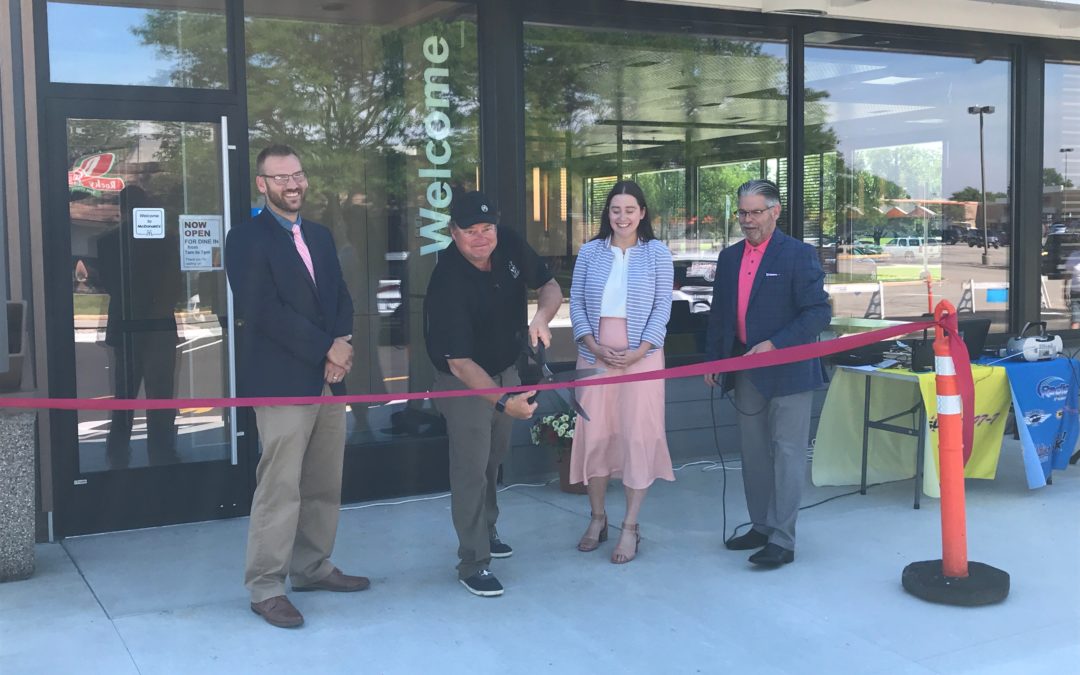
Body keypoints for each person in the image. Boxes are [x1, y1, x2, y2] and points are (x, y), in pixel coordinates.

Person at [225, 144, 367, 629]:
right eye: (281, 177)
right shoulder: (245, 239)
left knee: (324, 483)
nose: (293, 184)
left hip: (329, 381)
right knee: (279, 488)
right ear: (261, 184)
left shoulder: (322, 237)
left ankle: (312, 568)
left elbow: (342, 298)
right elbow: (263, 311)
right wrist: (326, 349)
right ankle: (266, 587)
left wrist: (342, 344)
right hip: (282, 382)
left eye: (298, 175)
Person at [424, 190, 562, 597]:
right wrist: (505, 402)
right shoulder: (446, 278)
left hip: (506, 368)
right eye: (471, 231)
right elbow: (459, 363)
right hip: (464, 381)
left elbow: (551, 285)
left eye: (487, 228)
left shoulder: (510, 244)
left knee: (491, 460)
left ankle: (487, 527)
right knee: (469, 467)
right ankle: (473, 561)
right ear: (453, 232)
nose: (482, 238)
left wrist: (541, 316)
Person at [704, 179, 831, 568]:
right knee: (754, 454)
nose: (747, 220)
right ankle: (760, 525)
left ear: (775, 211)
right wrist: (715, 360)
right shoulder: (729, 258)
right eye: (742, 213)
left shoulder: (798, 255)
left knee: (788, 454)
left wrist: (776, 344)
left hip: (790, 372)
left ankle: (783, 539)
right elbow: (720, 314)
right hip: (746, 371)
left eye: (755, 212)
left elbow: (818, 312)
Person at [568, 180, 675, 564]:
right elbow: (576, 302)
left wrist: (640, 351)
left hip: (642, 359)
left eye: (630, 210)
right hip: (594, 358)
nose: (623, 217)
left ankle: (630, 526)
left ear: (642, 213)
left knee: (637, 437)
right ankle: (598, 518)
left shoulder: (657, 254)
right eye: (616, 210)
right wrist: (592, 345)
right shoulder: (590, 252)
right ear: (607, 214)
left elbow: (663, 307)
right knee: (596, 436)